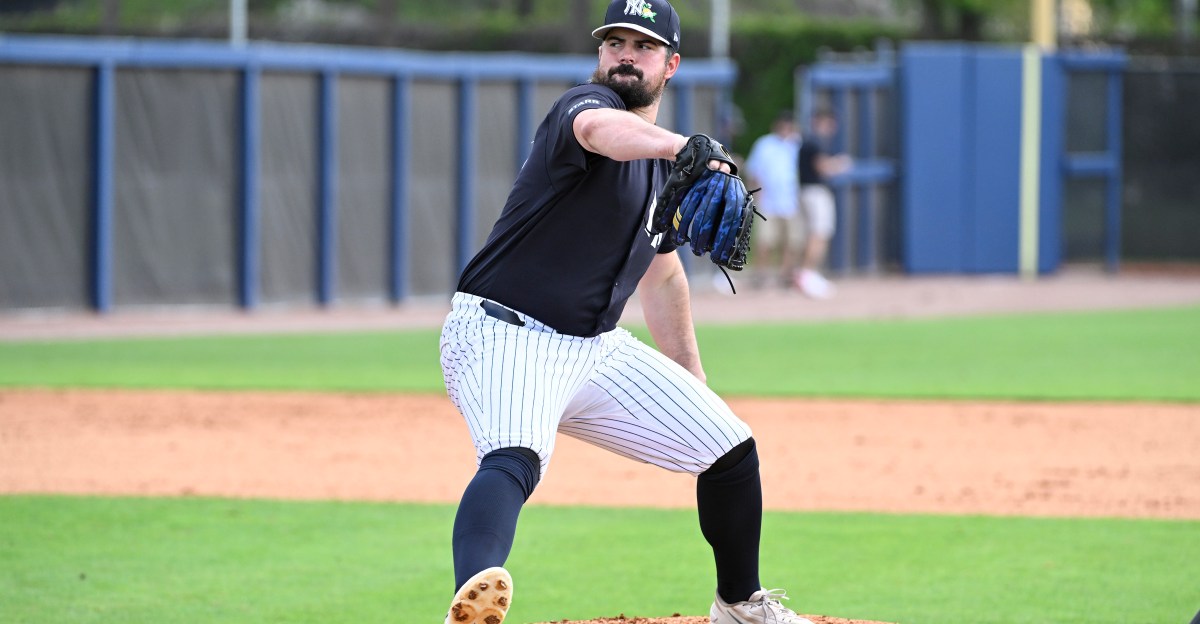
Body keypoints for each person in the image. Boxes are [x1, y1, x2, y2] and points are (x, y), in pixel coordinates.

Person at [438, 1, 813, 623]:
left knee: (729, 449)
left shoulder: (664, 172)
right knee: (514, 457)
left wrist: (695, 388)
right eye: (614, 43)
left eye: (641, 46)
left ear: (672, 65)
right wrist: (686, 147)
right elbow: (600, 134)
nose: (624, 55)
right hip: (505, 330)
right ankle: (473, 594)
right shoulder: (583, 110)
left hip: (593, 347)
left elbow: (663, 278)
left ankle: (739, 607)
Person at [795, 109, 852, 299]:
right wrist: (840, 164)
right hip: (814, 192)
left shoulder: (808, 142)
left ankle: (808, 273)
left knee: (815, 233)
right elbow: (823, 167)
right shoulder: (814, 142)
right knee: (819, 233)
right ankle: (806, 274)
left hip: (806, 191)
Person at [743, 110, 803, 289]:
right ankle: (760, 275)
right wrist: (755, 193)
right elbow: (754, 170)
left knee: (792, 240)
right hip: (768, 200)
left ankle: (785, 275)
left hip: (790, 200)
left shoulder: (796, 144)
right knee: (765, 240)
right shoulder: (764, 144)